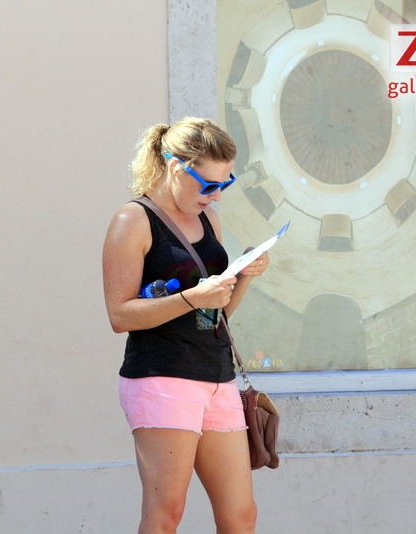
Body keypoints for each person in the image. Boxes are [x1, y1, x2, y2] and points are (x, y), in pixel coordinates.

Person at [102, 117, 268, 534]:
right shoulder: (133, 220)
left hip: (216, 376)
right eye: (208, 185)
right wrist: (195, 296)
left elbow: (216, 315)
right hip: (162, 377)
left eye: (225, 184)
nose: (216, 196)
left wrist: (243, 275)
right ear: (175, 167)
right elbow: (119, 315)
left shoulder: (208, 220)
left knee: (241, 515)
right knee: (166, 515)